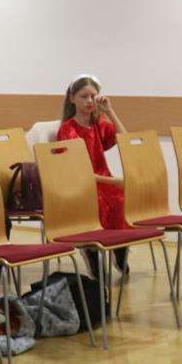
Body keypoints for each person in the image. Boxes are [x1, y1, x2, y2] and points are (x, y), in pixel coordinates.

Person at [55, 75, 131, 275]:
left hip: (102, 179)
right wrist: (114, 181)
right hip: (80, 183)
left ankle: (120, 246)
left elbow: (124, 139)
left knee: (121, 199)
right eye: (84, 96)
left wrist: (110, 111)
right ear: (72, 98)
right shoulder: (68, 130)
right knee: (102, 200)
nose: (89, 101)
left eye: (93, 96)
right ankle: (91, 249)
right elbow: (78, 173)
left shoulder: (99, 123)